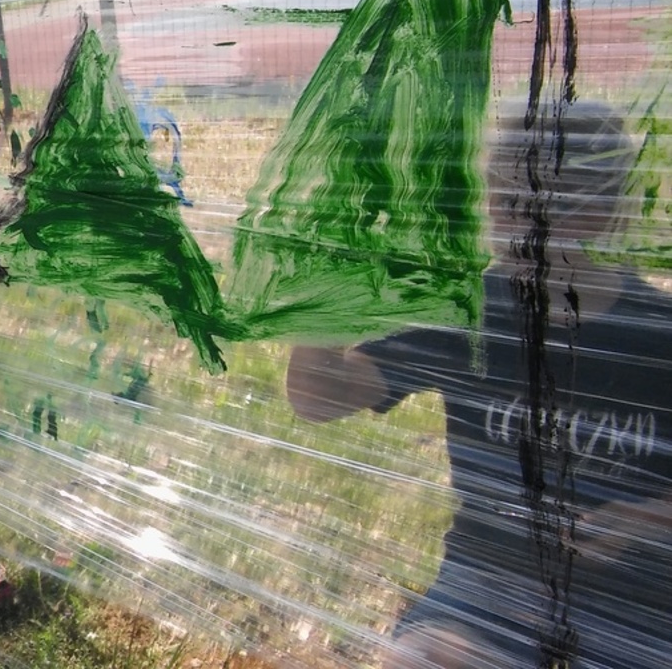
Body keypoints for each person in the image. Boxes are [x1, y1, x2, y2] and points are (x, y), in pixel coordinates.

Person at [285, 100, 672, 668]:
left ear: (606, 207)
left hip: (642, 596)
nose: (519, 225)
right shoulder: (468, 315)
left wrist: (643, 522)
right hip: (491, 578)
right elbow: (318, 398)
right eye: (505, 199)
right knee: (424, 660)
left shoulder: (658, 337)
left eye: (548, 202)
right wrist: (324, 293)